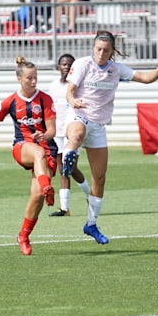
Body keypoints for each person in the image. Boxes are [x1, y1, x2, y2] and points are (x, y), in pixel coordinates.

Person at [61, 30, 158, 244]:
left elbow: (146, 79)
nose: (101, 53)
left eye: (105, 50)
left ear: (112, 52)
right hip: (79, 115)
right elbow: (70, 90)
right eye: (98, 49)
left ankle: (91, 224)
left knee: (100, 179)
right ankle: (68, 159)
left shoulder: (116, 70)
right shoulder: (84, 64)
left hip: (99, 125)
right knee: (76, 134)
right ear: (93, 48)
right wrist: (73, 100)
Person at [0, 56, 57, 256]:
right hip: (22, 146)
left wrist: (44, 135)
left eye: (36, 77)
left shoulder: (45, 99)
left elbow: (52, 130)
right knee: (38, 155)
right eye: (29, 78)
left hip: (47, 148)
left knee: (38, 196)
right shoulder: (10, 102)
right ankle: (47, 185)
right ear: (19, 79)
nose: (33, 81)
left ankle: (23, 236)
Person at [46, 53, 92, 217]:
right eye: (63, 64)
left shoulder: (77, 86)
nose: (66, 67)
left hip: (71, 132)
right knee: (62, 168)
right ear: (59, 67)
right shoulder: (53, 86)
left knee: (69, 168)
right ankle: (65, 209)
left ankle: (89, 195)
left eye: (69, 65)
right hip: (56, 131)